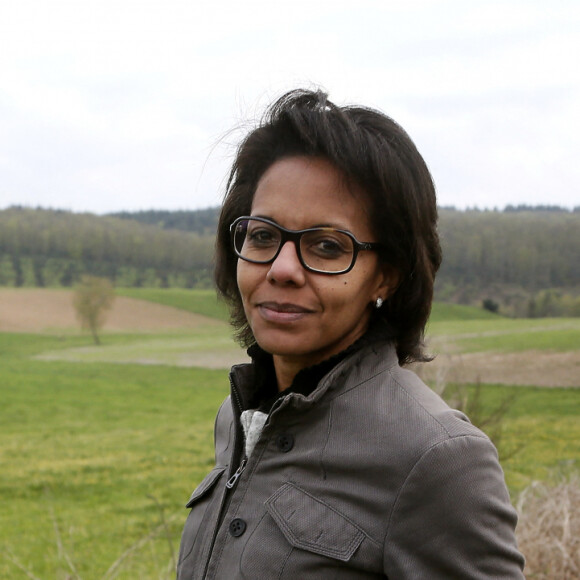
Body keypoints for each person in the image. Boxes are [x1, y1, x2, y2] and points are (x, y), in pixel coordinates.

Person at [177, 89, 525, 579]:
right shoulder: (239, 417)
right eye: (262, 235)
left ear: (387, 276)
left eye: (325, 246)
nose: (282, 268)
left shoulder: (438, 458)